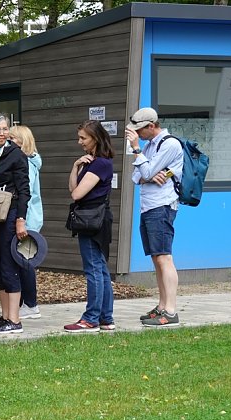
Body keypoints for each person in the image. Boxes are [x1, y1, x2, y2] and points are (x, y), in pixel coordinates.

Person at [125, 108, 183, 327]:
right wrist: (147, 172)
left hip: (162, 205)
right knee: (156, 257)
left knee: (164, 256)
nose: (137, 134)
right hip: (148, 206)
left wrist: (138, 153)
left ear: (151, 126)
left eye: (140, 130)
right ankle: (161, 306)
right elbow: (137, 176)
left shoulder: (169, 144)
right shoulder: (150, 146)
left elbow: (146, 173)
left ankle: (170, 311)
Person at [0, 113, 31, 335]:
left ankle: (15, 319)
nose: (2, 133)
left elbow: (24, 190)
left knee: (9, 264)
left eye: (4, 129)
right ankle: (4, 316)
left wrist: (21, 219)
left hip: (9, 212)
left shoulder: (16, 155)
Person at [65, 120, 115, 332]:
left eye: (83, 138)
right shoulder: (90, 162)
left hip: (93, 221)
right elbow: (72, 188)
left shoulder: (101, 164)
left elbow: (76, 194)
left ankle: (91, 317)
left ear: (96, 138)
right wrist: (76, 166)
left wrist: (82, 167)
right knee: (100, 269)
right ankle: (106, 317)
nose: (80, 142)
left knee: (93, 269)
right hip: (93, 220)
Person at [8, 125, 43, 319]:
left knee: (25, 261)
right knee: (21, 260)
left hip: (28, 217)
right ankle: (25, 302)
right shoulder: (29, 161)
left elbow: (25, 192)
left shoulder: (27, 164)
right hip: (30, 216)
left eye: (12, 138)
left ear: (21, 142)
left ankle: (30, 303)